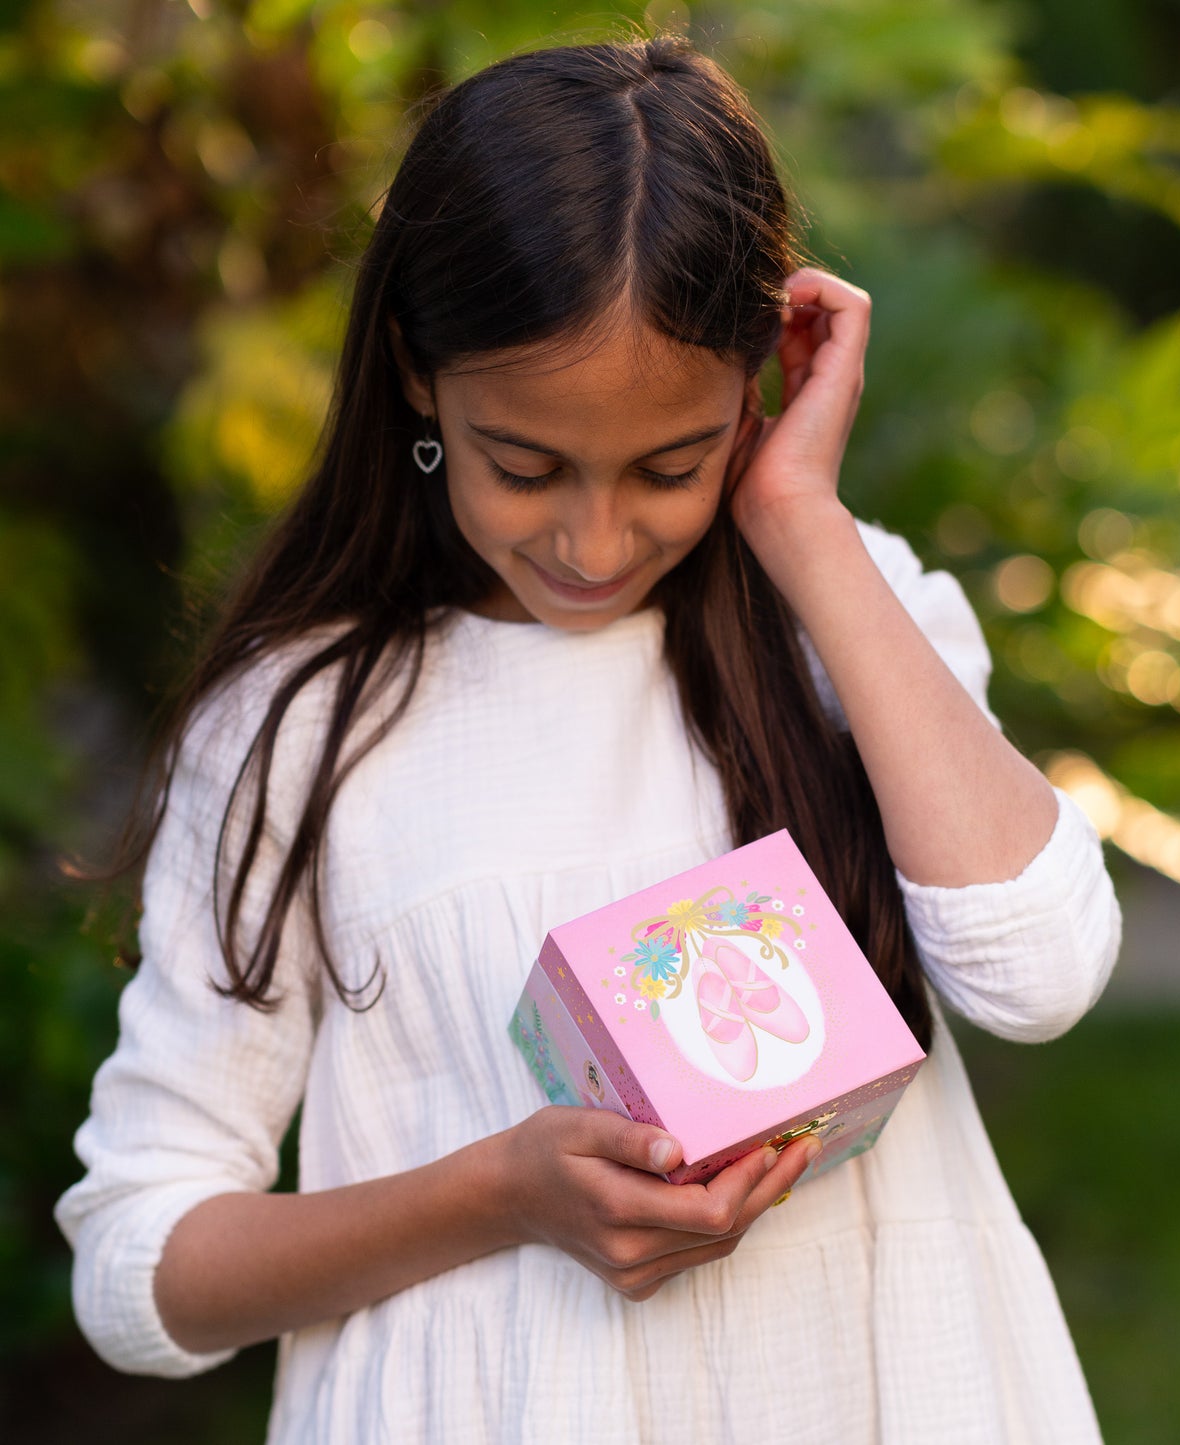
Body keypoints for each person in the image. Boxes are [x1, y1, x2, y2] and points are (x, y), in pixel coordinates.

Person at [56, 33, 1121, 1445]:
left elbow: (1037, 973)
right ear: (418, 375)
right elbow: (136, 1272)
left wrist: (798, 519)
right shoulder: (301, 725)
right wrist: (498, 1192)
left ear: (754, 389)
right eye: (525, 466)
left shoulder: (849, 618)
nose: (595, 540)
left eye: (670, 467)